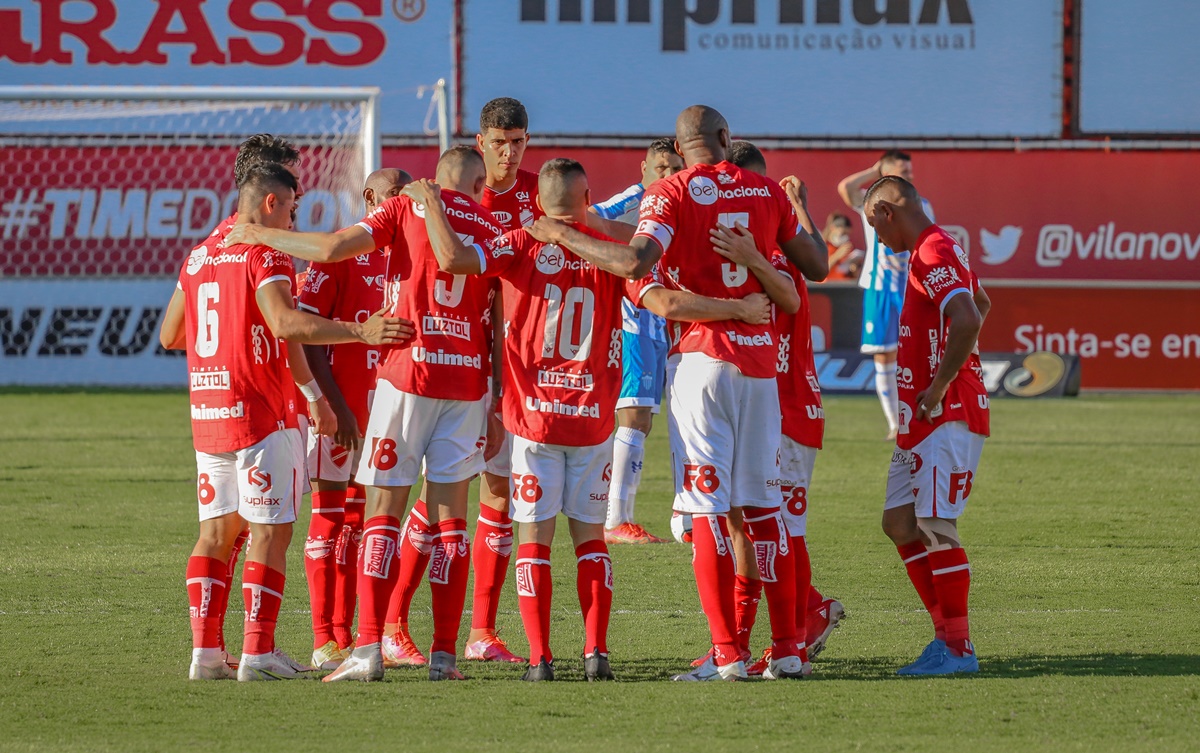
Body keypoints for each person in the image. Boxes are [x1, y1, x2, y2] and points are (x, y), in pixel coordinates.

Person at [411, 157, 773, 681]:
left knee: (533, 543)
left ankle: (539, 659)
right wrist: (737, 309)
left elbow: (455, 260)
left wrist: (431, 205)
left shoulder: (518, 242)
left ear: (538, 202)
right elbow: (662, 296)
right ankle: (595, 653)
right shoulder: (610, 257)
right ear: (587, 201)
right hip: (593, 423)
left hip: (534, 420)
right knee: (591, 542)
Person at [526, 105, 828, 682]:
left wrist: (565, 230)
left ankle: (727, 656)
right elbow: (812, 266)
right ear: (724, 139)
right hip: (762, 369)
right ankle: (787, 650)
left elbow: (639, 258)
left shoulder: (670, 192)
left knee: (708, 511)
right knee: (764, 512)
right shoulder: (764, 191)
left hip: (704, 362)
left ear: (680, 150)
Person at [224, 147, 506, 683]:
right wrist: (496, 399)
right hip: (468, 384)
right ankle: (444, 656)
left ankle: (369, 648)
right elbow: (498, 320)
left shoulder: (409, 207)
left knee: (382, 513)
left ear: (433, 180)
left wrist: (260, 234)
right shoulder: (490, 225)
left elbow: (332, 246)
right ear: (475, 183)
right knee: (451, 523)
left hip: (409, 374)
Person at [158, 163, 410, 681]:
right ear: (271, 203)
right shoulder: (266, 252)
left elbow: (170, 335)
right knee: (270, 534)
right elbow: (286, 322)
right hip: (261, 412)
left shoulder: (200, 254)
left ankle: (205, 656)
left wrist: (232, 331)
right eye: (293, 208)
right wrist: (361, 333)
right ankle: (258, 653)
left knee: (214, 535)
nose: (295, 219)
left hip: (208, 412)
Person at [715, 140, 844, 674]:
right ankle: (782, 626)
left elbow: (811, 271)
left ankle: (794, 632)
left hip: (786, 409)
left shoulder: (766, 254)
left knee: (779, 528)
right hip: (766, 406)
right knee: (746, 526)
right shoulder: (768, 244)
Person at [862, 175, 990, 676]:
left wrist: (940, 386)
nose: (876, 238)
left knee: (936, 526)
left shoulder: (934, 250)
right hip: (923, 417)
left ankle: (957, 649)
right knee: (899, 522)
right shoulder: (936, 250)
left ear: (888, 212)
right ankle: (944, 638)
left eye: (874, 225)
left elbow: (968, 317)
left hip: (943, 410)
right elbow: (981, 304)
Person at [295, 167, 412, 671]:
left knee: (368, 526)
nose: (400, 205)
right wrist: (334, 406)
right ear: (370, 197)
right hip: (341, 412)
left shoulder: (408, 255)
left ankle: (365, 634)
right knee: (329, 516)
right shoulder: (342, 252)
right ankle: (327, 637)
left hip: (388, 414)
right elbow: (307, 332)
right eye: (393, 196)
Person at [588, 137, 684, 544]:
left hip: (658, 320)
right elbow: (588, 217)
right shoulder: (635, 198)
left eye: (672, 168)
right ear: (643, 170)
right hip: (632, 319)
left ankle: (623, 517)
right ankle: (615, 520)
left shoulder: (678, 204)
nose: (666, 175)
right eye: (659, 167)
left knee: (644, 419)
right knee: (635, 417)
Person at [837, 151, 934, 439]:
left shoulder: (924, 206)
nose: (910, 175)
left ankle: (917, 414)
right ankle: (894, 423)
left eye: (911, 170)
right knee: (884, 355)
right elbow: (845, 189)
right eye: (903, 170)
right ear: (888, 172)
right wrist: (873, 171)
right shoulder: (873, 202)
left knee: (915, 354)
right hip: (880, 288)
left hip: (912, 288)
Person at [821, 213, 862, 282]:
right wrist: (837, 256)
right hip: (827, 287)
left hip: (844, 286)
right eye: (843, 233)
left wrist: (854, 269)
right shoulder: (822, 246)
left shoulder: (847, 248)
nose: (845, 237)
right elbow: (820, 271)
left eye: (848, 234)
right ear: (833, 228)